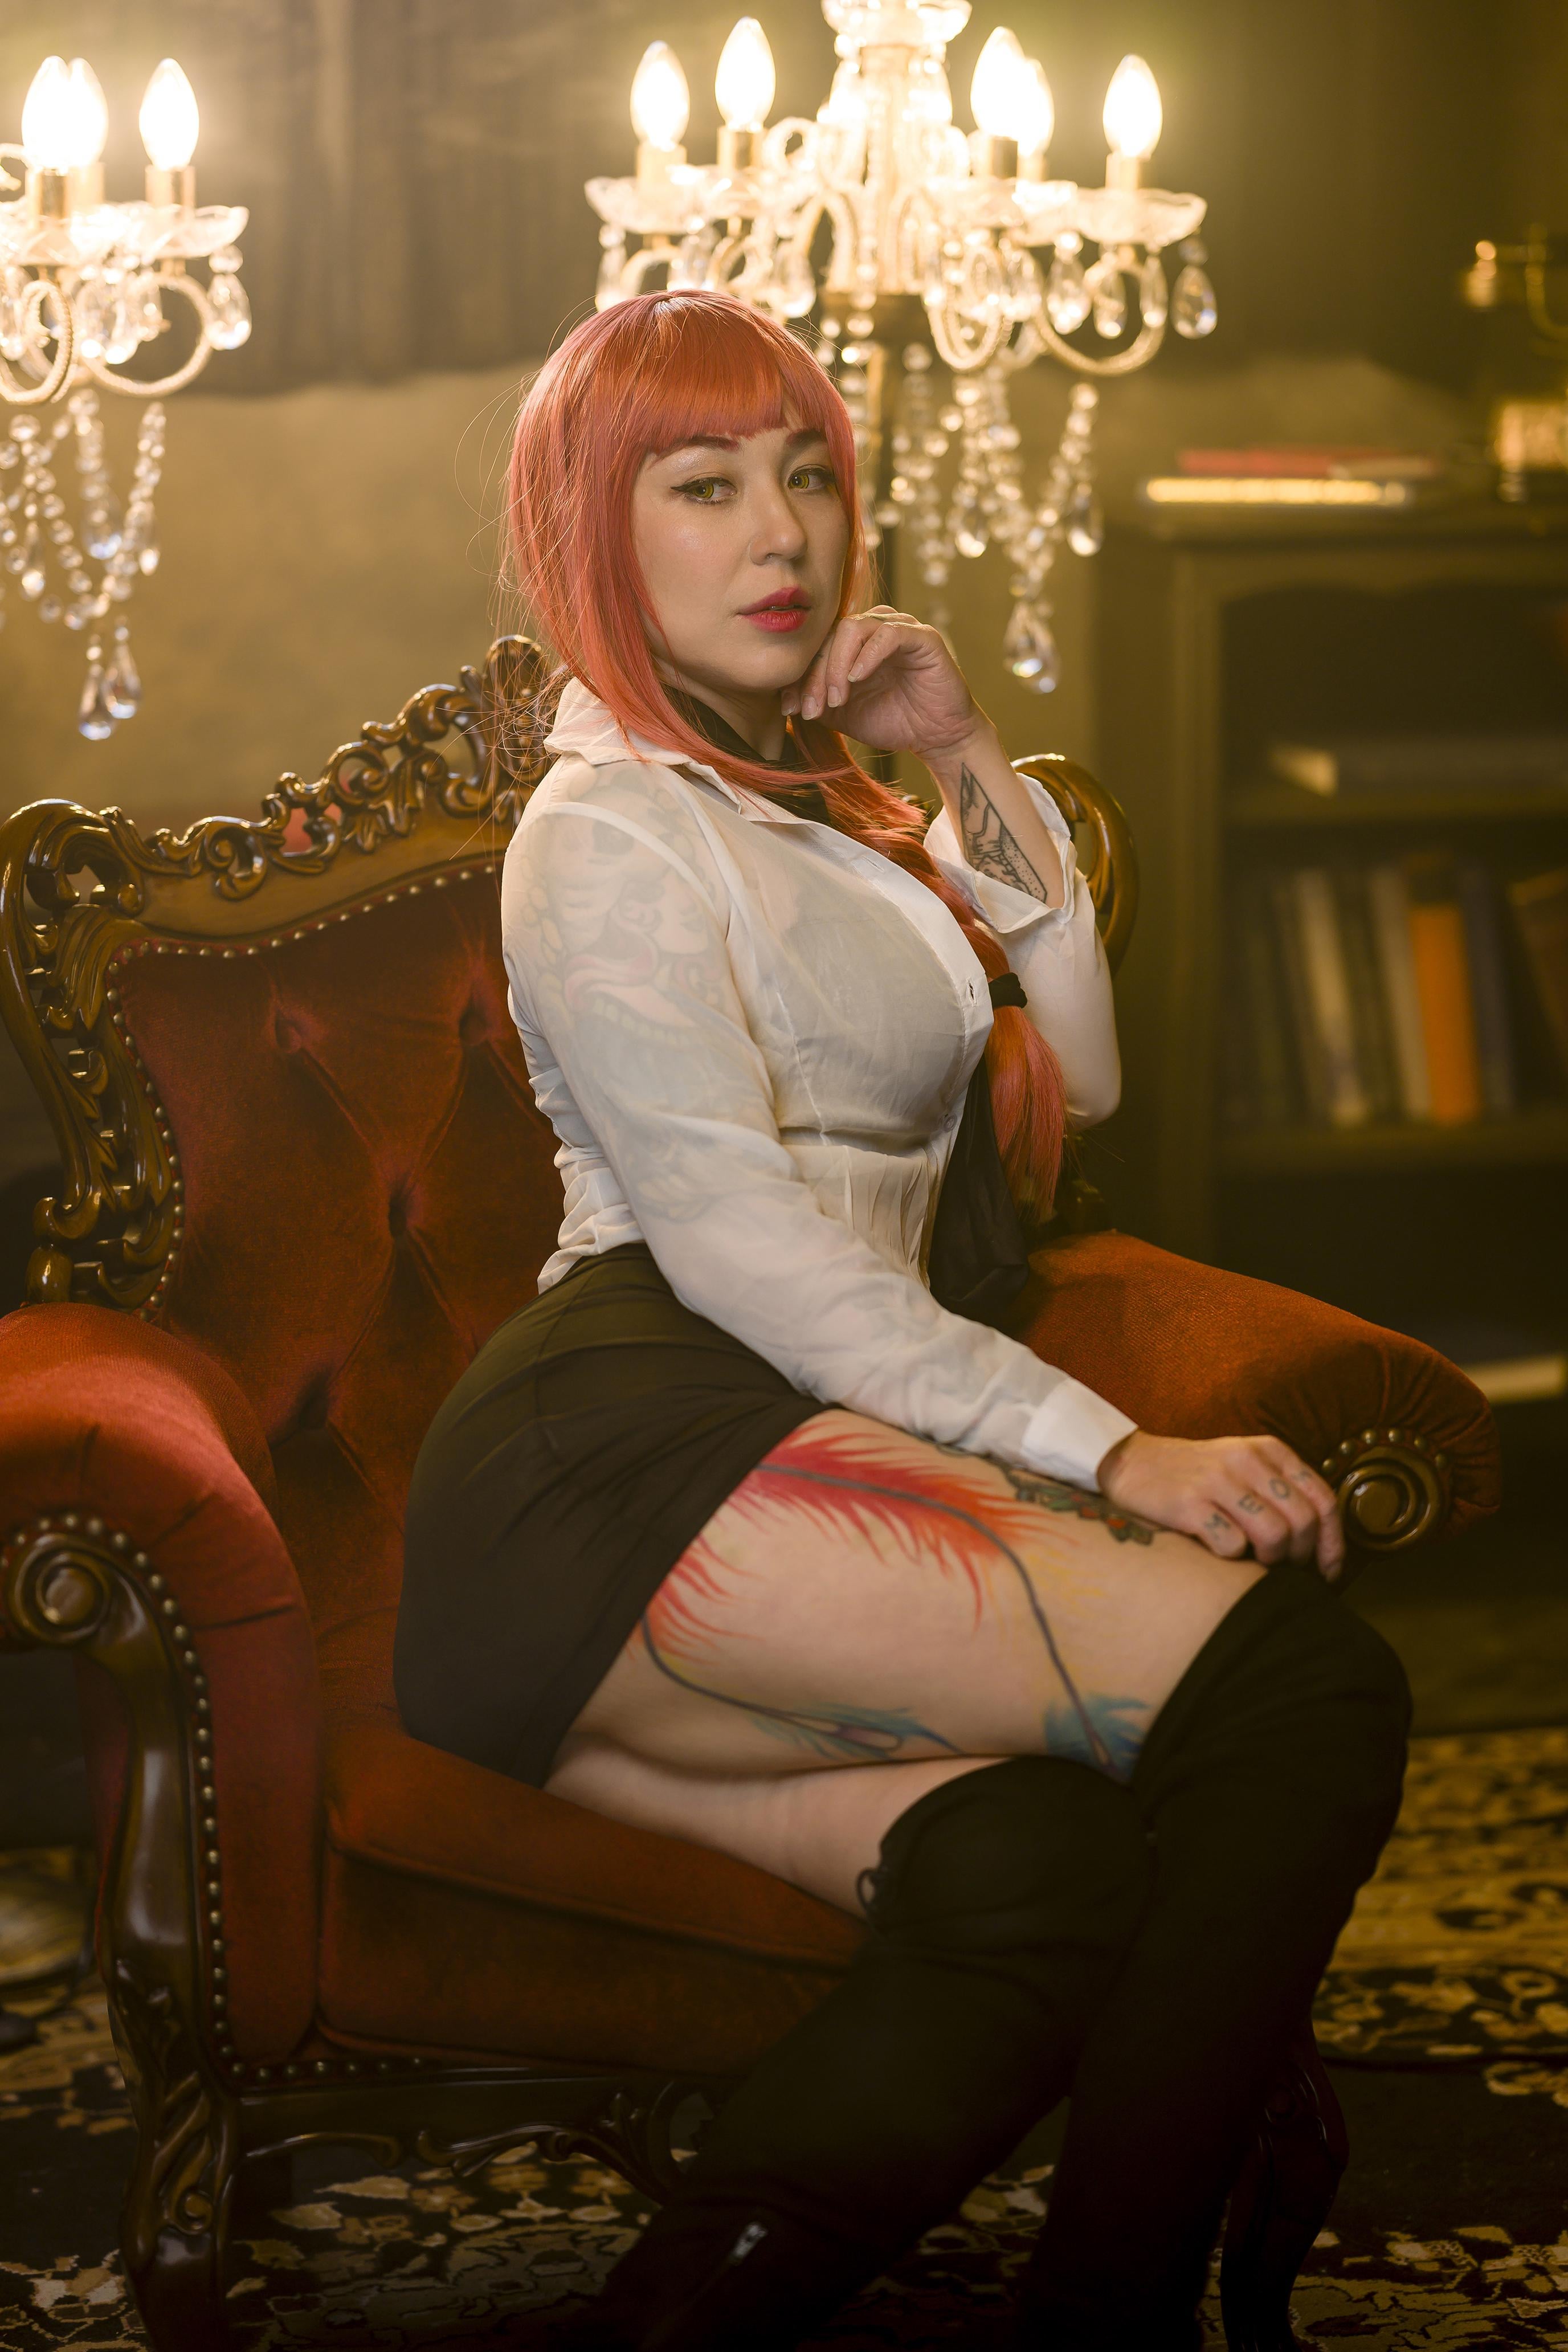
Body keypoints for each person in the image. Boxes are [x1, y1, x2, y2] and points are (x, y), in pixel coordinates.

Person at [394, 289, 1409, 2351]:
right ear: (599, 534)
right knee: (1300, 1694)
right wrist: (1114, 1450)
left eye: (809, 477)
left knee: (1039, 1880)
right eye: (704, 488)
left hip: (779, 1443)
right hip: (629, 1448)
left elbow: (1084, 1075)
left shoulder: (820, 809)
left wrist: (955, 755)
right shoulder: (607, 834)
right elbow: (748, 1255)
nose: (783, 533)